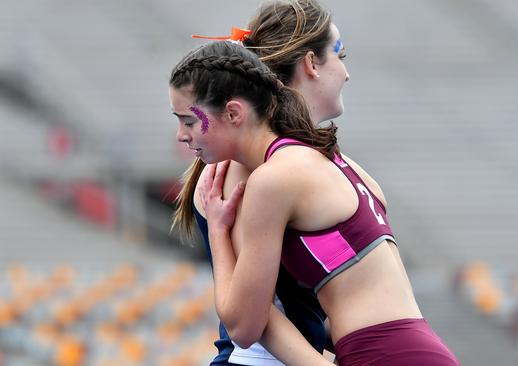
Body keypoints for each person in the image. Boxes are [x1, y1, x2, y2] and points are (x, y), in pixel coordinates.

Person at [169, 41, 460, 366]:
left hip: (381, 353)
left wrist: (217, 232)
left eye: (189, 121)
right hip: (413, 347)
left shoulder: (271, 180)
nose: (181, 134)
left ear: (234, 112)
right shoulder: (337, 161)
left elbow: (243, 326)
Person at [172, 1, 344, 364]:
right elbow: (251, 320)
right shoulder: (249, 165)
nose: (346, 72)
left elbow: (303, 306)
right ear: (310, 64)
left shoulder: (287, 160)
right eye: (340, 55)